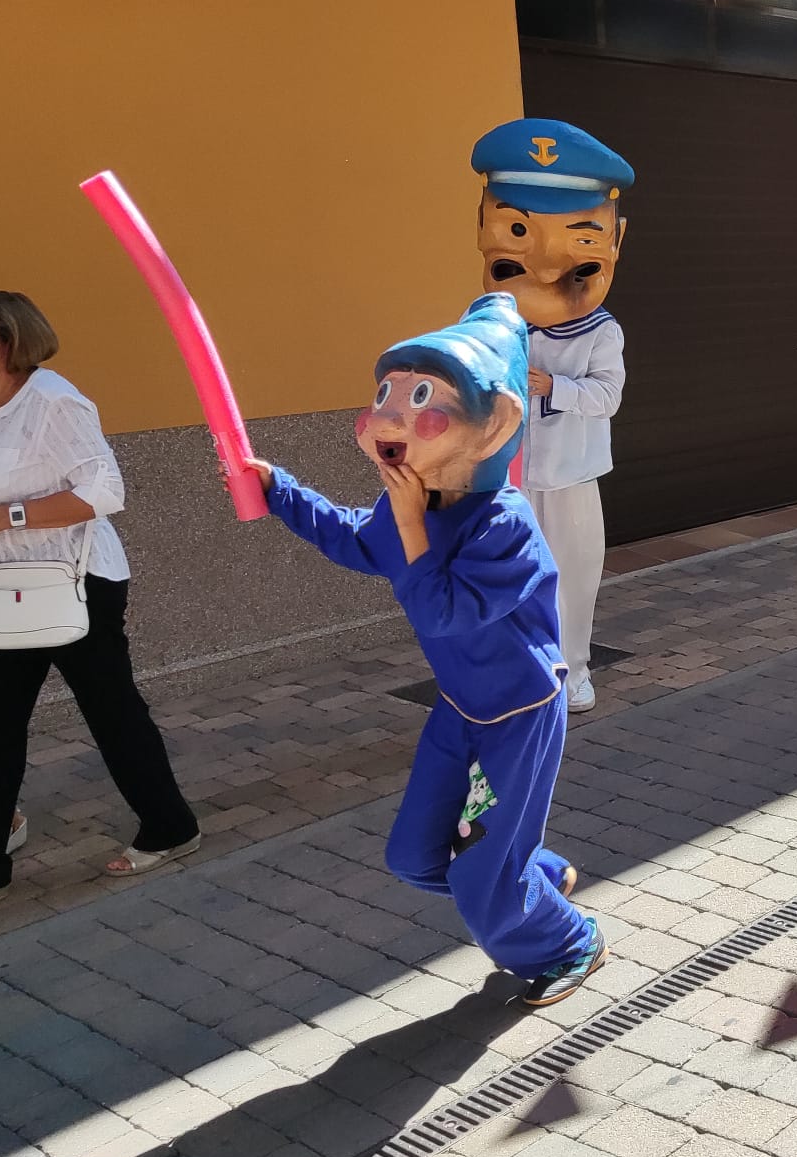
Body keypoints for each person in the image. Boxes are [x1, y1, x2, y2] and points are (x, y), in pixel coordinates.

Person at [246, 295, 606, 1005]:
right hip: (460, 708)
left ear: (494, 424)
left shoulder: (504, 524)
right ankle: (528, 879)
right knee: (414, 857)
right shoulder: (416, 506)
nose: (387, 417)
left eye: (420, 399)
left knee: (479, 881)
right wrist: (277, 490)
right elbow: (356, 538)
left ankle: (569, 942)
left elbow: (442, 610)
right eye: (386, 396)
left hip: (519, 714)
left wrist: (409, 520)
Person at [0, 291, 201, 905]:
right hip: (5, 589)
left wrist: (3, 517)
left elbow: (105, 489)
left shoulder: (52, 399)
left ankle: (171, 826)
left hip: (76, 585)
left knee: (111, 712)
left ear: (8, 338)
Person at [476, 119, 634, 716]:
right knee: (507, 578)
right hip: (507, 477)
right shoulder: (493, 322)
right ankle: (520, 671)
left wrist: (554, 386)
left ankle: (574, 672)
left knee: (571, 577)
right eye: (517, 230)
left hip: (570, 476)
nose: (544, 263)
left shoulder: (601, 331)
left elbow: (608, 396)